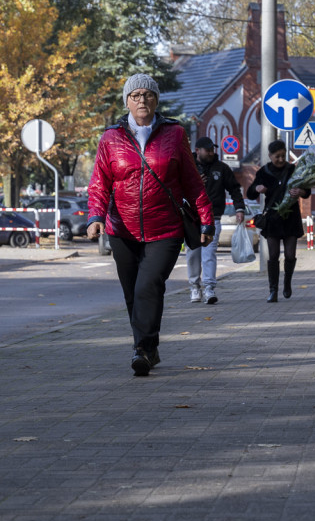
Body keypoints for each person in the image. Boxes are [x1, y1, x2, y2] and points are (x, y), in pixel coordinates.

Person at [86, 73, 214, 376]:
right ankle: (148, 346)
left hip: (165, 228)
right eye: (135, 95)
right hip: (122, 229)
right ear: (127, 101)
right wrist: (95, 217)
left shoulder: (174, 134)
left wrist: (206, 220)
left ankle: (141, 349)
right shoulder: (110, 138)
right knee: (133, 293)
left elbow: (192, 182)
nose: (141, 100)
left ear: (156, 100)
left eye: (147, 94)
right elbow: (99, 183)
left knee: (148, 286)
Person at [246, 140, 310, 302]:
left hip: (291, 218)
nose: (281, 159)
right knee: (273, 255)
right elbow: (250, 193)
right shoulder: (264, 172)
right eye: (277, 156)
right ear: (270, 156)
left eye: (283, 156)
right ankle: (273, 290)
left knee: (290, 255)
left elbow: (307, 191)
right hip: (272, 219)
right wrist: (257, 188)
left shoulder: (292, 170)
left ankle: (287, 283)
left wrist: (300, 191)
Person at [186, 137, 245, 304]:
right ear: (198, 150)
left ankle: (209, 288)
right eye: (208, 150)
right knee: (193, 254)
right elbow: (177, 187)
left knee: (209, 253)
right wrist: (194, 182)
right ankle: (194, 287)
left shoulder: (222, 168)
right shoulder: (188, 167)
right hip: (191, 218)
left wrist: (239, 208)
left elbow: (234, 188)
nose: (212, 152)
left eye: (212, 149)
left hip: (213, 218)